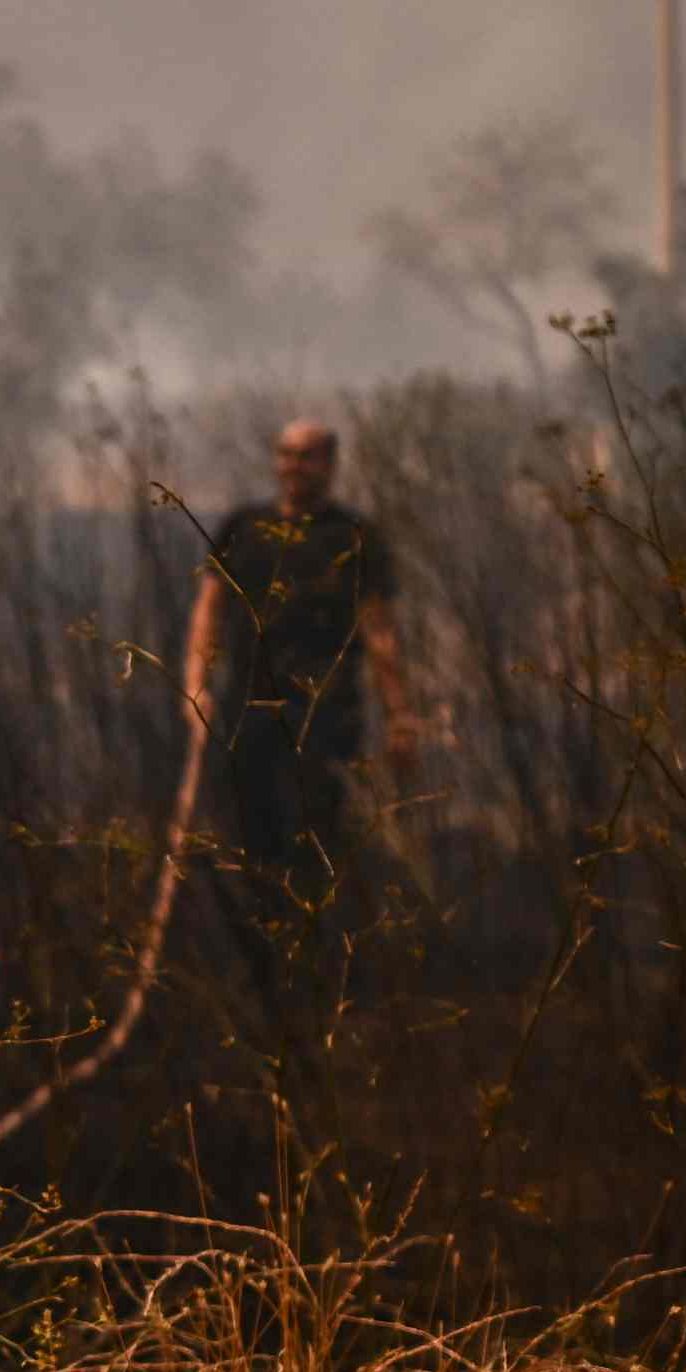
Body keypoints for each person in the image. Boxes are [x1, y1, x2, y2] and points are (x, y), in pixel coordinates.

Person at [178, 415, 415, 969]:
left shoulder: (353, 537)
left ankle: (311, 967)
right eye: (286, 453)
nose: (293, 466)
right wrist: (194, 685)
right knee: (248, 838)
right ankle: (261, 968)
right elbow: (208, 610)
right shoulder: (244, 526)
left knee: (313, 838)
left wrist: (401, 716)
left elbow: (380, 630)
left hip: (325, 713)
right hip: (248, 709)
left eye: (307, 456)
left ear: (330, 464)